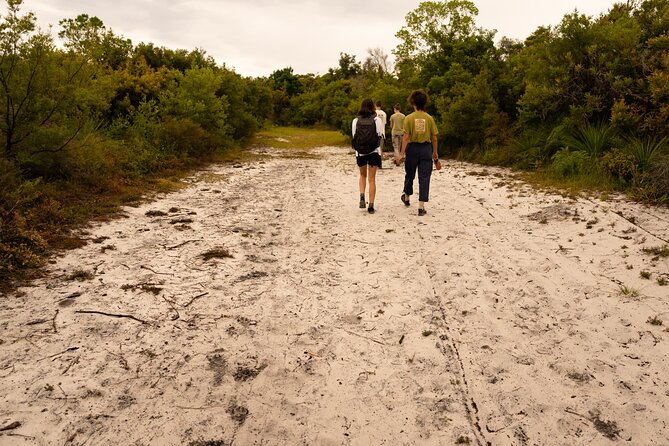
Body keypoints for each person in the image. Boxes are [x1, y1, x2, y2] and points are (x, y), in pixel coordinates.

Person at [395, 90, 439, 216]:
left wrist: (402, 154)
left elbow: (406, 137)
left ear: (413, 103)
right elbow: (434, 137)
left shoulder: (408, 118)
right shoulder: (429, 118)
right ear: (424, 103)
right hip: (426, 149)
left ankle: (407, 197)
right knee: (424, 177)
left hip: (412, 149)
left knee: (410, 174)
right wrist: (435, 153)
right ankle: (421, 206)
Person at [352, 98, 384, 214]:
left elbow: (354, 136)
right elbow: (380, 136)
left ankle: (361, 195)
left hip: (360, 152)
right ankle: (371, 205)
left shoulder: (356, 120)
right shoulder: (377, 120)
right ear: (373, 107)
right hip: (374, 152)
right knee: (372, 179)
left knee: (362, 175)